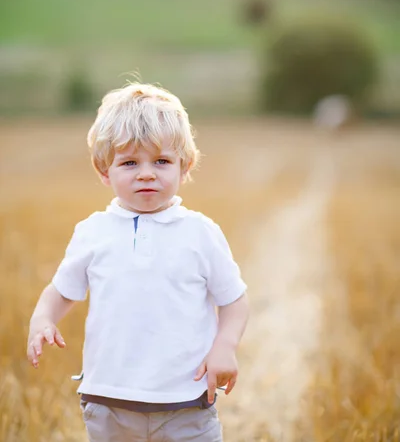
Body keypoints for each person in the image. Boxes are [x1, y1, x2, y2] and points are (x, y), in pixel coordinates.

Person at [27, 82, 249, 442]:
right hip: (108, 401)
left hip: (186, 401)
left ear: (184, 166)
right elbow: (62, 290)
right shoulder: (92, 231)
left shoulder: (201, 232)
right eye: (129, 163)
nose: (146, 173)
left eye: (161, 161)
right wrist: (42, 319)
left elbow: (234, 300)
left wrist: (224, 346)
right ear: (104, 171)